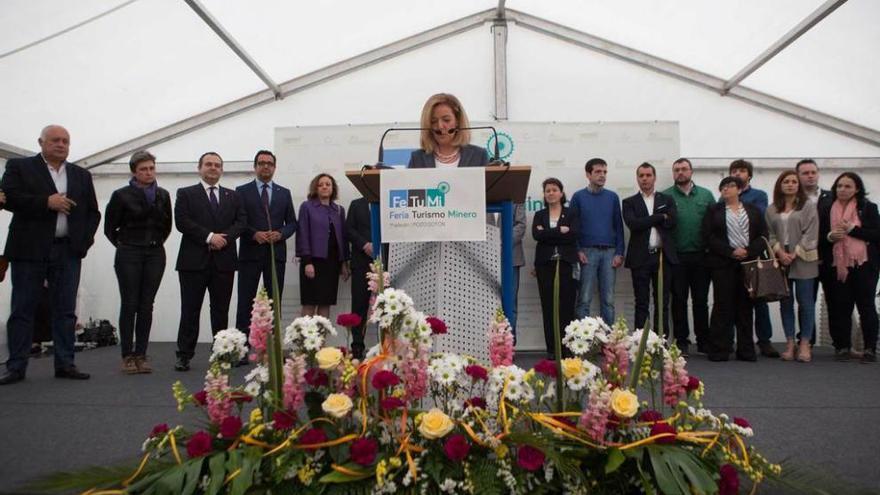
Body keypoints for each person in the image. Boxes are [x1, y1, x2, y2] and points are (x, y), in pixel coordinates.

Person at [0, 125, 101, 385]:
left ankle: (65, 363)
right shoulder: (20, 167)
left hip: (67, 251)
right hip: (29, 250)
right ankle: (16, 366)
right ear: (41, 142)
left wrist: (83, 243)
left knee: (65, 310)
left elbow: (93, 212)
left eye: (65, 141)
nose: (61, 145)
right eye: (55, 140)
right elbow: (8, 198)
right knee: (23, 308)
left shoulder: (80, 175)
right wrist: (46, 202)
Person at [173, 152, 246, 371]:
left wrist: (224, 239)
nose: (213, 168)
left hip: (224, 262)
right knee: (190, 310)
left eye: (217, 165)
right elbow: (182, 221)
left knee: (220, 310)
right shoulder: (186, 194)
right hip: (193, 262)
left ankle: (221, 353)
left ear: (222, 170)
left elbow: (241, 222)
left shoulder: (233, 196)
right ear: (199, 168)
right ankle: (184, 355)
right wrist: (209, 237)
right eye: (208, 164)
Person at [104, 150, 172, 374]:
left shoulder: (163, 195)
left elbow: (167, 226)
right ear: (134, 172)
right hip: (129, 253)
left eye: (152, 168)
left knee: (146, 305)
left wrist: (153, 242)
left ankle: (141, 354)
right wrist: (126, 245)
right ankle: (127, 355)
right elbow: (109, 228)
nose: (148, 172)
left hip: (154, 253)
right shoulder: (121, 195)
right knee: (130, 303)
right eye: (143, 169)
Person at [235, 150, 297, 356]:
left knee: (273, 302)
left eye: (269, 163)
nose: (265, 167)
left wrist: (280, 234)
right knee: (245, 301)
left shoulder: (284, 192)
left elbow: (292, 223)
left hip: (275, 255)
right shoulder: (241, 191)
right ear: (255, 167)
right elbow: (238, 222)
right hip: (249, 254)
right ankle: (242, 349)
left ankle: (272, 349)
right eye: (261, 163)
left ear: (274, 167)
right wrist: (254, 234)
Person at [703, 176, 768, 362]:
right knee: (722, 306)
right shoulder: (714, 211)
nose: (726, 189)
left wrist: (747, 251)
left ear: (739, 190)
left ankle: (746, 350)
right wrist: (731, 252)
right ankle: (719, 349)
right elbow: (708, 237)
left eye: (730, 186)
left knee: (746, 307)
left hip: (748, 264)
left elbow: (763, 235)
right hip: (723, 264)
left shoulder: (753, 211)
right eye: (723, 187)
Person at [818, 172, 878, 363]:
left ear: (857, 189)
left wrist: (853, 230)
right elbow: (818, 237)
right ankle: (842, 347)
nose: (842, 190)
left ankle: (869, 348)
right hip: (837, 264)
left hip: (863, 264)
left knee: (866, 306)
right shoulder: (827, 208)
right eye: (839, 186)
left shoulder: (868, 208)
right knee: (840, 306)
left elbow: (876, 234)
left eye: (847, 186)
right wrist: (829, 237)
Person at [765, 170, 818, 362]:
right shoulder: (772, 209)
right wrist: (780, 252)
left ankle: (804, 343)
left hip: (803, 257)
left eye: (794, 181)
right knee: (785, 302)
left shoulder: (808, 206)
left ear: (799, 185)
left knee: (805, 303)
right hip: (781, 258)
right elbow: (770, 234)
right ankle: (789, 343)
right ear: (780, 185)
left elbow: (811, 233)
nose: (790, 184)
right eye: (786, 181)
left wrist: (795, 252)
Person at [729, 159, 779, 358]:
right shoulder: (723, 197)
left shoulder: (759, 196)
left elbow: (756, 218)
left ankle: (764, 341)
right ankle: (737, 340)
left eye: (742, 171)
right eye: (734, 171)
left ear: (749, 175)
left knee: (759, 299)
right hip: (732, 257)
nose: (738, 174)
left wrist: (748, 249)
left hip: (753, 254)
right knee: (733, 301)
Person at [622, 163, 678, 342]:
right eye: (641, 176)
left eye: (648, 175)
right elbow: (634, 225)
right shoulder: (629, 202)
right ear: (637, 178)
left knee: (662, 302)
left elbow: (672, 222)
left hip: (663, 257)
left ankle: (661, 340)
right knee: (642, 302)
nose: (645, 179)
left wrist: (651, 220)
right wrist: (660, 217)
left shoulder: (667, 199)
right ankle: (641, 341)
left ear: (654, 177)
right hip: (640, 257)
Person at [664, 158, 714, 354]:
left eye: (684, 169)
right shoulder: (666, 196)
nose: (680, 173)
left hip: (702, 256)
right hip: (676, 257)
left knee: (701, 300)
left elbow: (716, 223)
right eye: (677, 170)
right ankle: (681, 341)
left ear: (691, 172)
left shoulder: (706, 195)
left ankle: (703, 340)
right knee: (678, 300)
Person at [570, 158, 625, 325]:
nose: (602, 175)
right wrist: (578, 250)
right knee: (584, 299)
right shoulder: (578, 197)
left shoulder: (613, 197)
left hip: (610, 253)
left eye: (605, 172)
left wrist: (619, 252)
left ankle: (608, 344)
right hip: (587, 252)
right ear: (588, 174)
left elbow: (618, 226)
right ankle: (583, 341)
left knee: (608, 299)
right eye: (598, 172)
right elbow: (573, 227)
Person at [533, 178, 580, 357]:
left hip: (566, 264)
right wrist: (560, 231)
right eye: (547, 190)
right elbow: (537, 235)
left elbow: (574, 234)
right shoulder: (539, 215)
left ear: (561, 192)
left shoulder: (572, 213)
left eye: (554, 190)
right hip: (545, 265)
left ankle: (566, 349)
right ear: (544, 195)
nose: (551, 193)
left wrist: (548, 233)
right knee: (548, 307)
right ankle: (552, 350)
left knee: (566, 307)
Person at [296, 173, 350, 317]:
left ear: (333, 188)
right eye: (321, 185)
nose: (324, 187)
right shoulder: (307, 206)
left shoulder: (339, 210)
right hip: (313, 262)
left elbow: (343, 238)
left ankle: (320, 340)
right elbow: (302, 233)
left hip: (332, 263)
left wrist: (344, 263)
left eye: (328, 184)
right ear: (316, 188)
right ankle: (305, 339)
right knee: (309, 303)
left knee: (325, 303)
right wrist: (307, 262)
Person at [796, 158, 830, 346]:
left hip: (828, 258)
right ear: (798, 176)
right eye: (805, 173)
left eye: (813, 172)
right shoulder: (793, 200)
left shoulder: (831, 197)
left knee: (833, 301)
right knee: (805, 301)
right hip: (803, 258)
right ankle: (807, 340)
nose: (810, 176)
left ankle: (839, 344)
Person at [407, 93, 489, 168]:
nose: (440, 126)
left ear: (457, 121)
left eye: (446, 120)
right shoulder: (417, 158)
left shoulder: (479, 155)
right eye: (433, 121)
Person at [346, 196, 375, 359]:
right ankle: (357, 346)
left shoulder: (390, 201)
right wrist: (364, 244)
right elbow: (349, 229)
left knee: (388, 305)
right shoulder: (356, 204)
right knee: (359, 305)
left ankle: (387, 345)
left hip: (386, 261)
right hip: (361, 263)